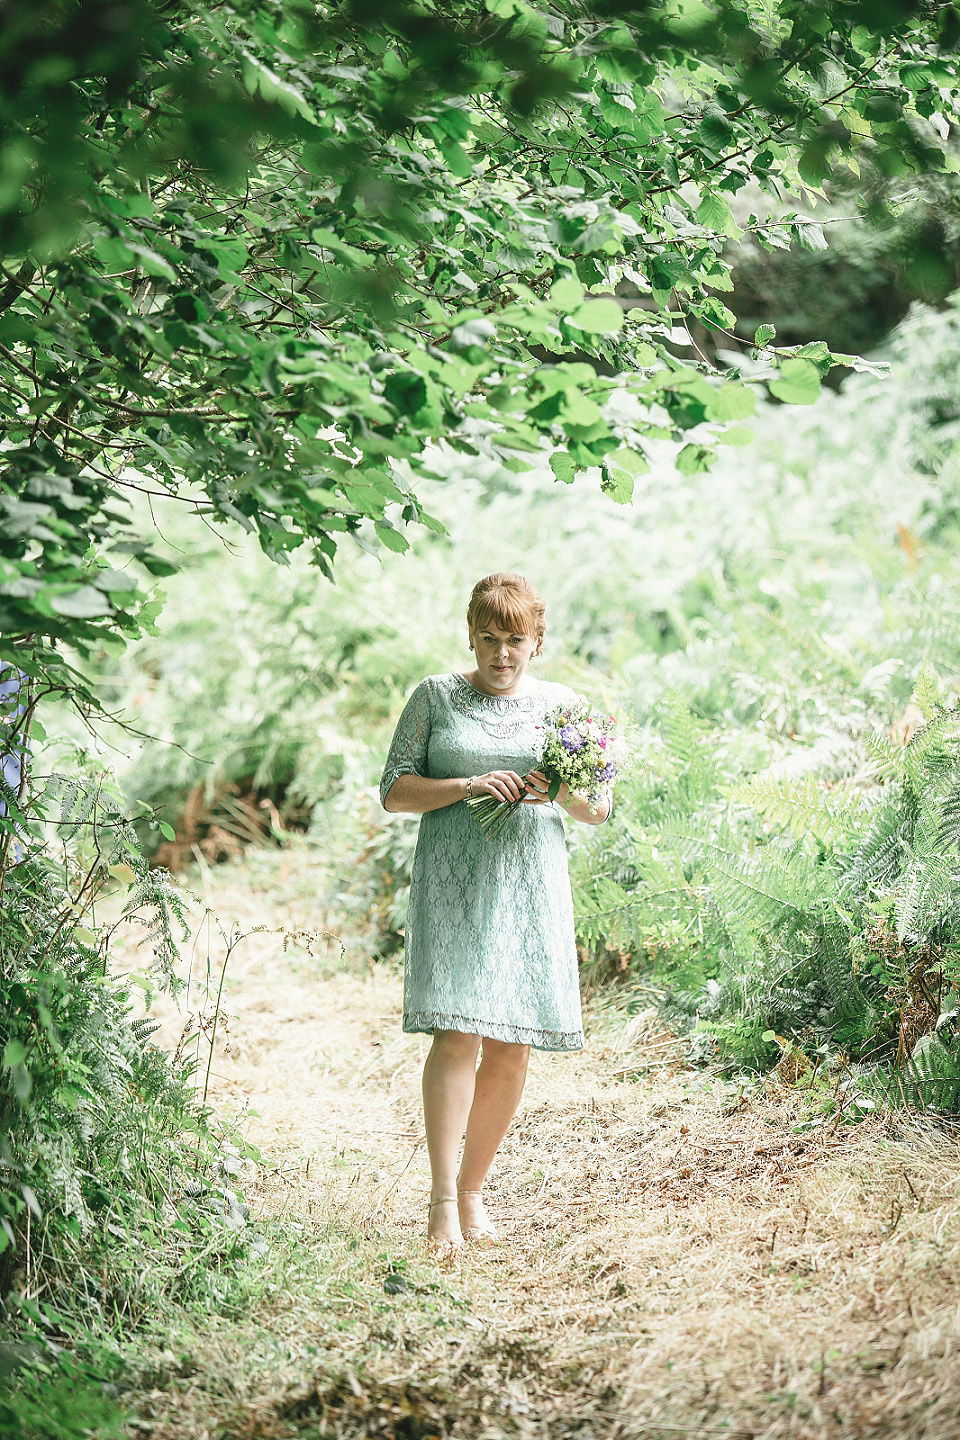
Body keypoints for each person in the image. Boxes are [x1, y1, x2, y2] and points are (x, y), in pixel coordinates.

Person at [379, 572, 612, 1250]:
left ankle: (475, 1190)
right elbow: (393, 789)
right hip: (455, 883)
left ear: (538, 641)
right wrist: (465, 784)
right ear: (471, 636)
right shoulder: (434, 697)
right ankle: (442, 1199)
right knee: (456, 1034)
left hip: (529, 887)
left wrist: (558, 790)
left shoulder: (566, 707)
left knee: (512, 1046)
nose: (501, 654)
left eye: (515, 640)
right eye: (488, 639)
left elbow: (597, 808)